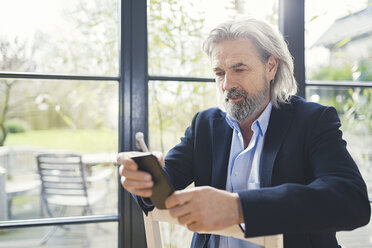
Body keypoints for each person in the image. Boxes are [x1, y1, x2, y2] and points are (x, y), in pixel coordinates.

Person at [118, 17, 371, 248]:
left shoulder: (313, 121)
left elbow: (351, 201)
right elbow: (165, 185)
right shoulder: (205, 125)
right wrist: (145, 178)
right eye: (219, 73)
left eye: (239, 69)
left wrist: (239, 207)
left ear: (271, 67)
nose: (227, 84)